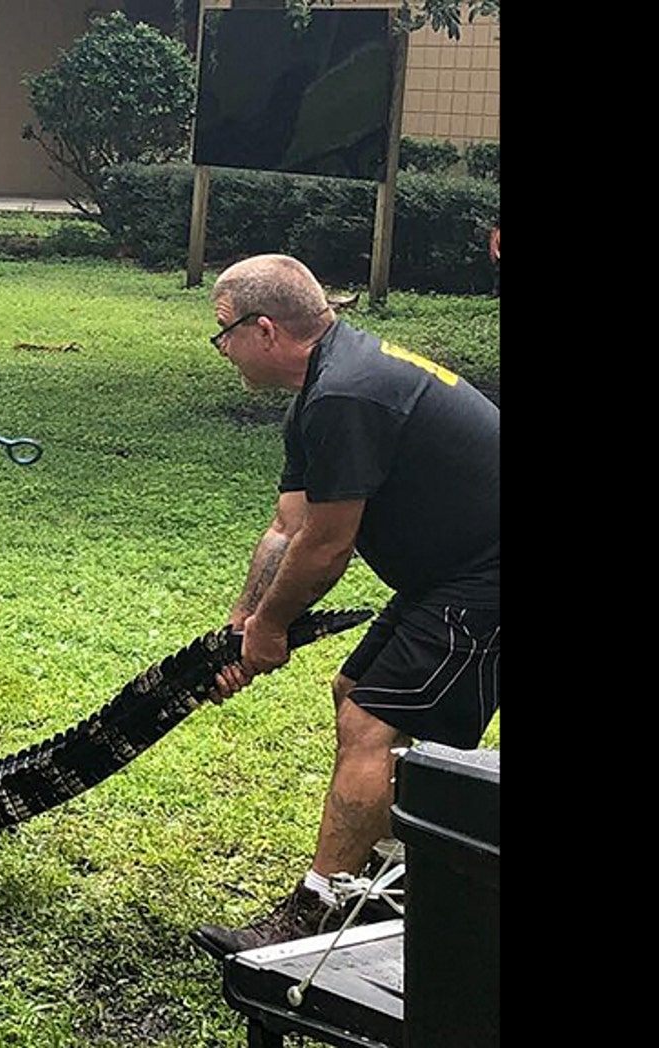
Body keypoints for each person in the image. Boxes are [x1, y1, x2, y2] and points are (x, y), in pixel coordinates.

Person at [189, 254, 500, 956]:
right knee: (355, 688)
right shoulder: (323, 390)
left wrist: (272, 629)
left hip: (486, 575)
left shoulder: (346, 395)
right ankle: (399, 880)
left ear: (264, 330)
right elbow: (289, 525)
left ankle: (321, 910)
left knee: (371, 722)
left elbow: (327, 547)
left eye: (223, 333)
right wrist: (246, 620)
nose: (221, 349)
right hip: (453, 572)